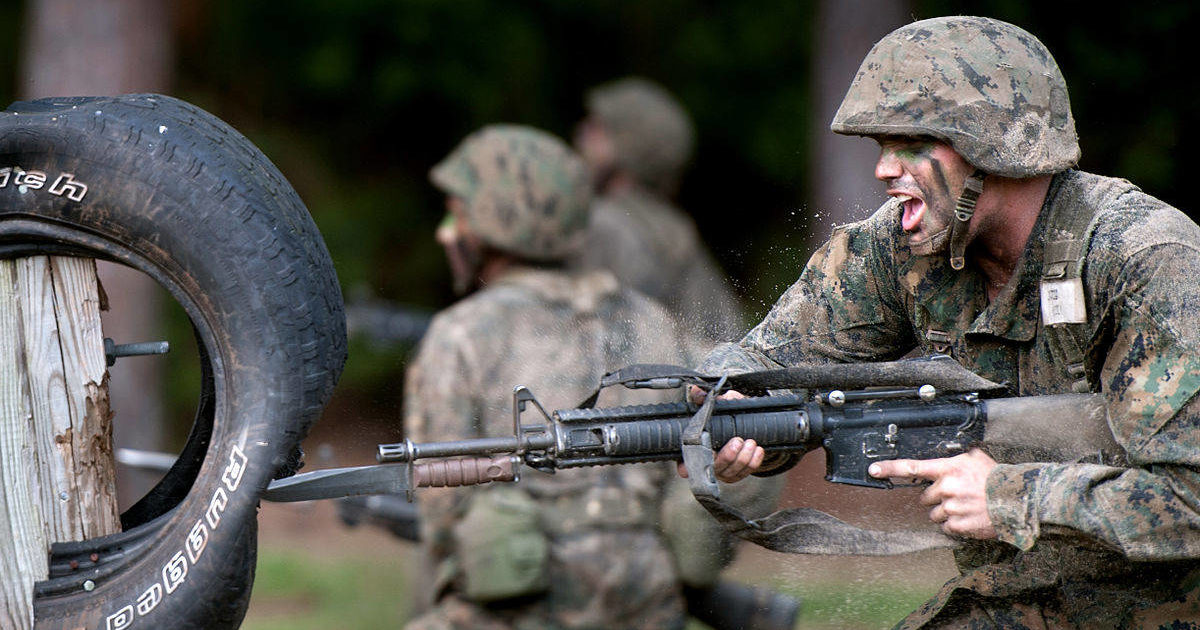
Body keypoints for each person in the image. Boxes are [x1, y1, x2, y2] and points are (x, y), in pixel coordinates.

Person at [691, 15, 1200, 629]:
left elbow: (1190, 499)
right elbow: (769, 366)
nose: (883, 170)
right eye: (880, 147)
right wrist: (723, 406)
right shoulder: (899, 248)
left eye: (910, 144)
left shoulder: (1146, 258)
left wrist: (1009, 497)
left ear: (994, 147)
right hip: (1021, 595)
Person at [403, 124, 726, 630]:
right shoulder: (652, 320)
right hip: (651, 602)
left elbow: (442, 508)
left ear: (490, 223)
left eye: (457, 213)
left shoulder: (462, 335)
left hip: (520, 604)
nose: (447, 231)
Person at [573, 77, 743, 345]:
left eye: (598, 128)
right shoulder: (675, 228)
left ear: (628, 145)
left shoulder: (601, 224)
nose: (582, 133)